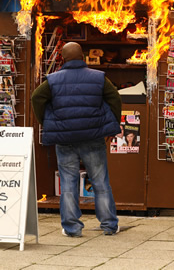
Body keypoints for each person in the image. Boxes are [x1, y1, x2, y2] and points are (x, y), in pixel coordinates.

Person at [31, 42, 122, 237]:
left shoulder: (53, 80)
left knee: (68, 183)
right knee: (100, 182)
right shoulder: (98, 78)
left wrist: (47, 121)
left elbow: (36, 97)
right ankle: (109, 225)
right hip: (92, 137)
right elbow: (114, 97)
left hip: (65, 139)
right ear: (83, 56)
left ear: (63, 58)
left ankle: (72, 228)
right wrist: (111, 123)